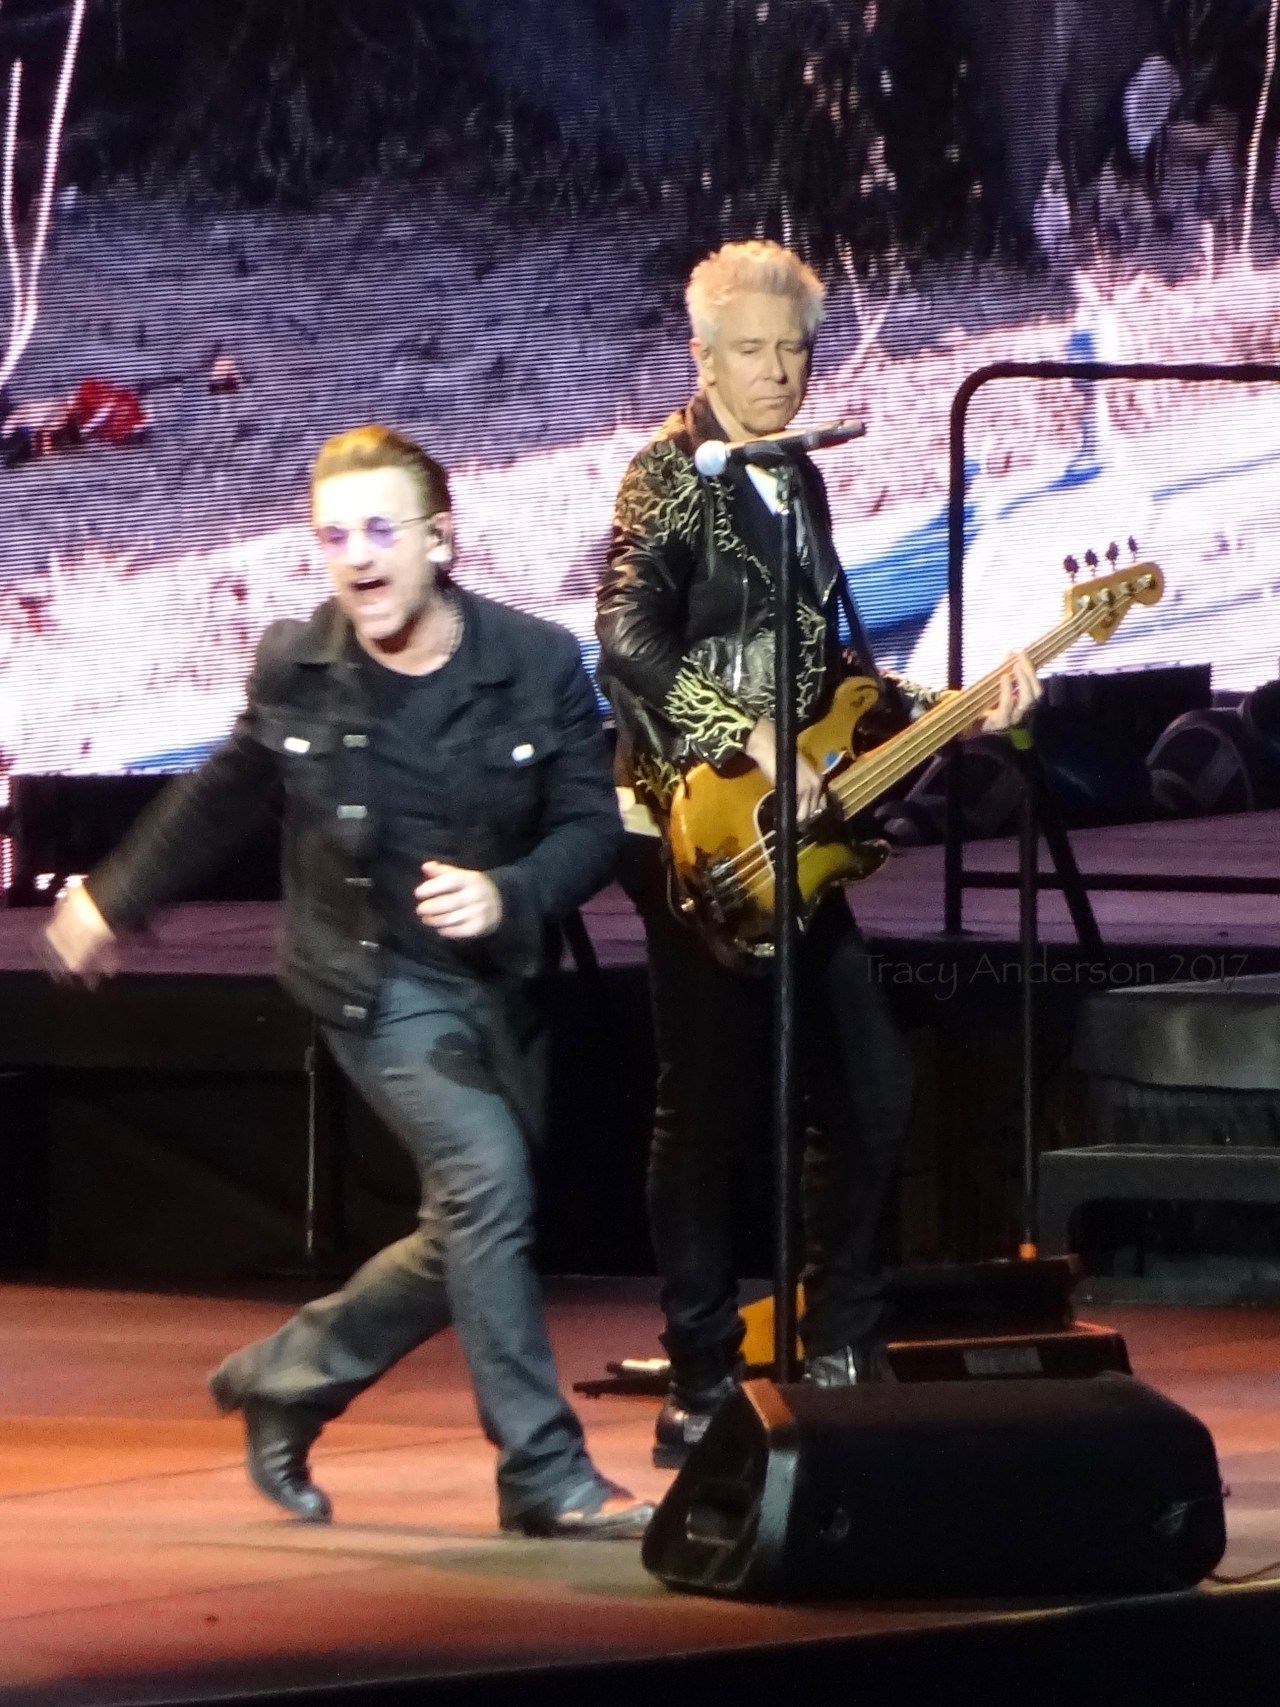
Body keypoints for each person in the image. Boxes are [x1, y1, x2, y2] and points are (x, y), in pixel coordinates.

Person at [45, 424, 654, 1539]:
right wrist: (110, 896)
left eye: (381, 531)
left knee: (469, 1223)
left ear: (440, 540)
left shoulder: (532, 662)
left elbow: (586, 826)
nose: (357, 558)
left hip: (493, 983)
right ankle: (544, 1473)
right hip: (368, 983)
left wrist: (509, 893)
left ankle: (287, 1377)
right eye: (334, 536)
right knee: (486, 1183)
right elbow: (227, 788)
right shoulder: (302, 666)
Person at [596, 240, 1039, 1468]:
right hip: (688, 826)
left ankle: (839, 1334)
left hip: (800, 835)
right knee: (708, 1101)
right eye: (751, 352)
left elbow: (829, 670)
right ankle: (697, 1373)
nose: (778, 373)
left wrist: (946, 702)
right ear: (700, 356)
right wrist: (739, 732)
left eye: (793, 351)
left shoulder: (799, 479)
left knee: (874, 1087)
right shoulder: (667, 479)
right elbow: (625, 644)